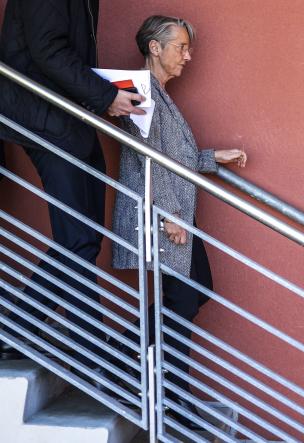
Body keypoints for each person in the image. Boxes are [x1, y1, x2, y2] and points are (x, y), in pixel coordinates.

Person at [111, 15, 247, 424]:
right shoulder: (139, 91)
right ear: (155, 47)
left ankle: (125, 361)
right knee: (186, 297)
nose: (187, 56)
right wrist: (170, 215)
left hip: (170, 214)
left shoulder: (159, 93)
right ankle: (168, 395)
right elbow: (146, 156)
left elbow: (171, 156)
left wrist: (210, 157)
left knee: (189, 295)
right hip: (161, 215)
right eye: (180, 47)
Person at [0, 0, 145, 373]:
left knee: (83, 237)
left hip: (72, 119)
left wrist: (103, 95)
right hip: (44, 119)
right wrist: (106, 96)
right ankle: (90, 350)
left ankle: (16, 328)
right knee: (78, 238)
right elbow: (48, 50)